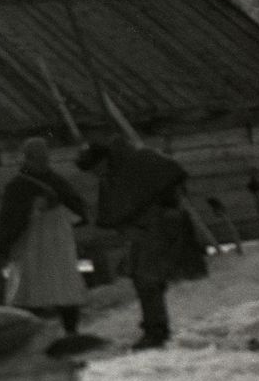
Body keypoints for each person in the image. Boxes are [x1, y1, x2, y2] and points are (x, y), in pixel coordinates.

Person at [76, 138, 206, 350]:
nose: (95, 174)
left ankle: (156, 331)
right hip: (141, 231)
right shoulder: (111, 176)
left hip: (160, 225)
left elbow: (173, 178)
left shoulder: (139, 161)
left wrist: (167, 208)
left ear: (104, 159)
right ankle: (155, 328)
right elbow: (115, 211)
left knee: (147, 279)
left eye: (95, 167)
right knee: (143, 278)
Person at [0, 138, 89, 335]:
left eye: (45, 157)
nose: (44, 161)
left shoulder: (56, 182)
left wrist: (55, 207)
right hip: (31, 246)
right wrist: (33, 209)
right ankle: (30, 337)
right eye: (39, 157)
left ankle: (70, 333)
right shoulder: (17, 187)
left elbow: (77, 209)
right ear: (29, 158)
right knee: (30, 290)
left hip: (57, 243)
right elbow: (11, 219)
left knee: (62, 289)